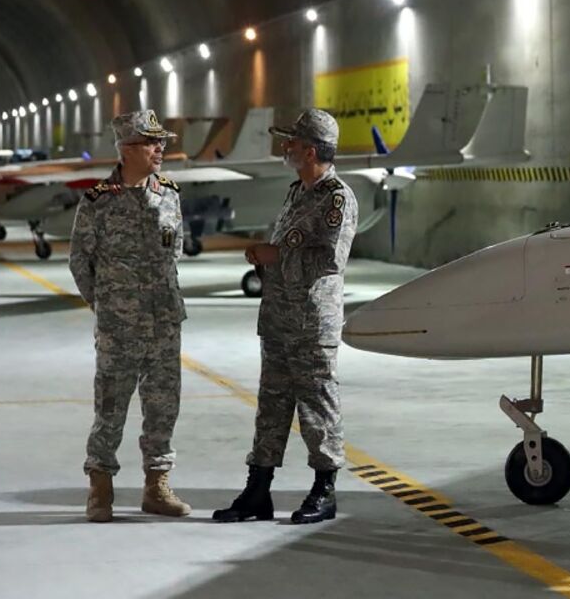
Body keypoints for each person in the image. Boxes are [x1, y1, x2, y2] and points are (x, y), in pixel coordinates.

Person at [213, 108, 357, 525]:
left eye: (292, 142)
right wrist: (265, 259)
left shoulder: (336, 198)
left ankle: (324, 489)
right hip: (278, 319)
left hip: (311, 323)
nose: (286, 147)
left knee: (317, 405)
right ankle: (258, 489)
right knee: (272, 407)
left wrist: (276, 256)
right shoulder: (297, 192)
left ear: (310, 150)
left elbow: (331, 260)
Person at [69, 110, 191, 523]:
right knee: (111, 406)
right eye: (152, 143)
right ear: (126, 149)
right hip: (118, 326)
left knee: (163, 406)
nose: (161, 150)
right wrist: (106, 304)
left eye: (162, 143)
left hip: (164, 322)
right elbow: (79, 262)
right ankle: (100, 484)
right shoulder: (98, 202)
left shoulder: (170, 195)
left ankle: (157, 485)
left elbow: (174, 254)